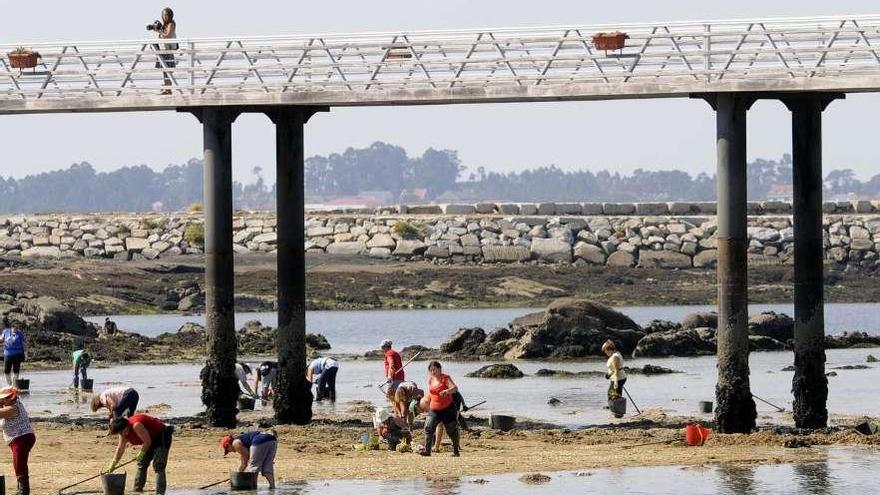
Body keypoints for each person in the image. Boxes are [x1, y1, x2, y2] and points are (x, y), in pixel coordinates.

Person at [107, 414, 174, 495]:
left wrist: (141, 453)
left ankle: (160, 493)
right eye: (120, 433)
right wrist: (113, 463)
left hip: (161, 434)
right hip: (150, 438)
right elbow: (120, 448)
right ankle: (137, 491)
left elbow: (147, 442)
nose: (122, 435)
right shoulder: (123, 433)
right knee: (141, 463)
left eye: (122, 432)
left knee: (159, 465)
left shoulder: (136, 425)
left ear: (126, 427)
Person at [419, 361, 460, 457]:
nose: (433, 372)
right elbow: (431, 393)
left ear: (439, 369)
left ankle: (455, 451)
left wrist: (447, 391)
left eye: (434, 370)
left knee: (451, 431)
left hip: (448, 409)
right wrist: (425, 400)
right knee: (428, 428)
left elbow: (455, 388)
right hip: (434, 409)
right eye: (431, 370)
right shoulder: (430, 380)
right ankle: (427, 451)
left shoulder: (445, 378)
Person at [0, 386, 34, 495]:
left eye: (3, 398)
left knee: (19, 464)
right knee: (20, 463)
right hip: (20, 438)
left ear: (11, 397)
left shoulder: (13, 408)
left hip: (21, 438)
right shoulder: (13, 403)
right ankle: (22, 489)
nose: (2, 400)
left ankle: (24, 490)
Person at [152, 7, 177, 94]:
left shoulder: (171, 24)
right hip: (163, 50)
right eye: (163, 14)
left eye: (166, 14)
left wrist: (159, 31)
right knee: (165, 71)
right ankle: (167, 89)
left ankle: (168, 89)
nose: (164, 16)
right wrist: (158, 29)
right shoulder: (165, 24)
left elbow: (167, 35)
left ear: (170, 15)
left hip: (168, 51)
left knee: (168, 71)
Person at [1, 322, 26, 386]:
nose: (16, 329)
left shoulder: (20, 333)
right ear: (12, 327)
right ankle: (9, 384)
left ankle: (14, 385)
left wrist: (25, 353)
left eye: (17, 328)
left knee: (16, 371)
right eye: (15, 328)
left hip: (17, 354)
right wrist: (4, 340)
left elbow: (24, 343)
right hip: (7, 354)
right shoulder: (6, 331)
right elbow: (1, 339)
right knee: (6, 371)